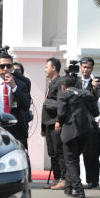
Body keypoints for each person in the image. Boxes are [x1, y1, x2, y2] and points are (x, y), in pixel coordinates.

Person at [57, 75, 98, 198]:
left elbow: (61, 113)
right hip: (86, 130)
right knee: (74, 158)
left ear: (63, 86)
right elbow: (96, 112)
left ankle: (79, 189)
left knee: (70, 160)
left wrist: (60, 121)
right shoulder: (86, 94)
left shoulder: (63, 94)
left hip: (70, 130)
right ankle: (68, 188)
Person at [41, 58, 66, 189]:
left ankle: (63, 179)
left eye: (47, 67)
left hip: (55, 122)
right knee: (52, 152)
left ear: (54, 68)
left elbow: (62, 104)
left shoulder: (60, 82)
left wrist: (59, 120)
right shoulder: (51, 83)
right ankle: (56, 178)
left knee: (58, 151)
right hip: (48, 123)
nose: (45, 69)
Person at [77, 56, 100, 187]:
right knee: (76, 153)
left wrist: (93, 88)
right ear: (80, 67)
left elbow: (96, 102)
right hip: (76, 123)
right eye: (84, 66)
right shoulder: (75, 82)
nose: (86, 69)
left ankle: (93, 180)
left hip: (91, 123)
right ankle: (76, 181)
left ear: (92, 68)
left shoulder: (97, 85)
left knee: (91, 153)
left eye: (88, 67)